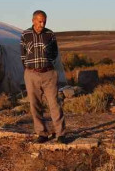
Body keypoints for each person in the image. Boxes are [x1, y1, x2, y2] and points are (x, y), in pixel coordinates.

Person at [21, 10, 66, 143]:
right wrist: (31, 68)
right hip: (31, 74)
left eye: (44, 21)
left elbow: (54, 53)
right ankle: (42, 133)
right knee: (35, 105)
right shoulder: (25, 35)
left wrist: (46, 63)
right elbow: (22, 55)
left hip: (48, 74)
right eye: (40, 21)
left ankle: (61, 134)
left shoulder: (50, 34)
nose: (42, 24)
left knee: (54, 104)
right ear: (33, 20)